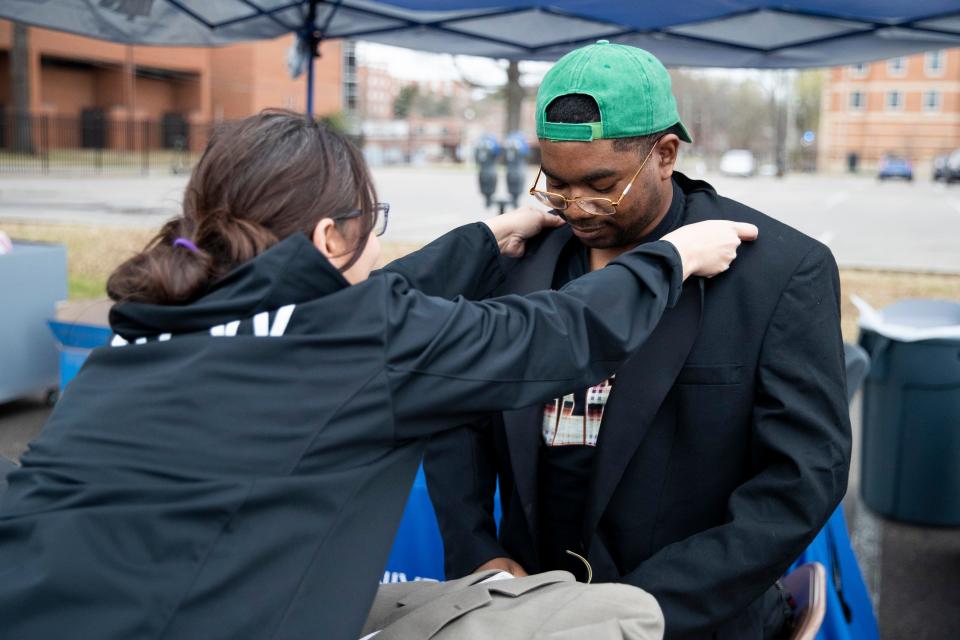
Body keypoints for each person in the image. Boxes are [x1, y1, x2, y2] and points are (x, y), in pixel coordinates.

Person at [0, 109, 755, 640]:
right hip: (196, 619)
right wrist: (675, 257)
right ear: (331, 237)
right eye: (373, 225)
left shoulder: (145, 330)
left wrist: (486, 241)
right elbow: (554, 333)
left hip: (37, 604)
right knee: (605, 618)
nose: (377, 252)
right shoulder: (364, 343)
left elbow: (343, 311)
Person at [425, 41, 851, 640]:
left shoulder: (780, 272)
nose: (574, 207)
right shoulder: (515, 262)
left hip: (686, 620)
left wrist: (639, 612)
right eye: (556, 183)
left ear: (665, 154)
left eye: (600, 184)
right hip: (527, 610)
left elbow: (803, 477)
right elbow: (457, 416)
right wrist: (478, 554)